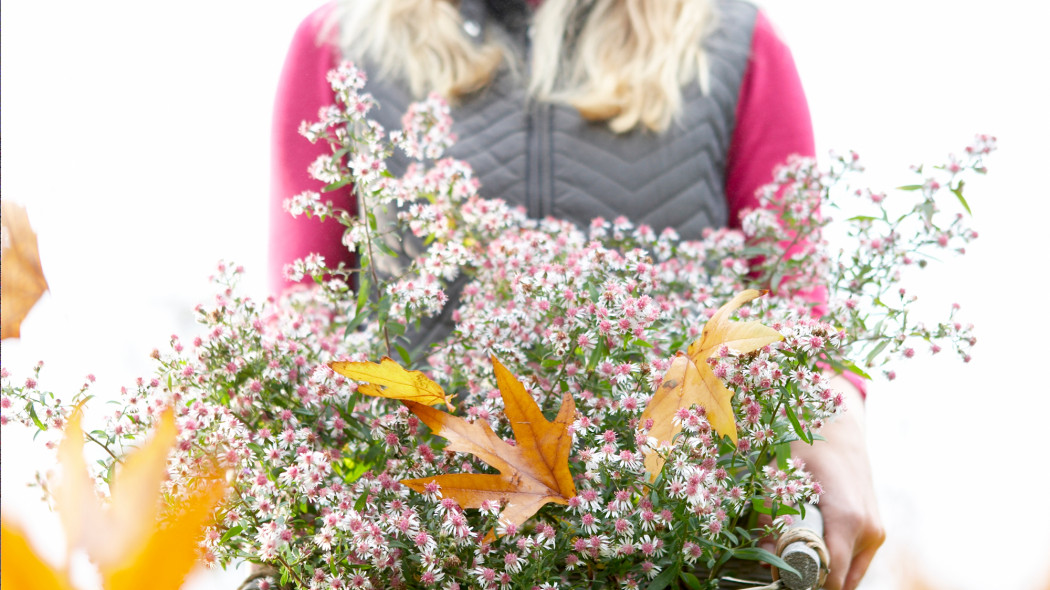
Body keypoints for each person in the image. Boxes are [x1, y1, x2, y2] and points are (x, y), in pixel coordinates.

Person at [268, 1, 884, 588]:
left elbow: (790, 297)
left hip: (670, 531)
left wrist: (835, 418)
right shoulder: (342, 41)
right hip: (429, 537)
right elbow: (305, 318)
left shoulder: (731, 38)